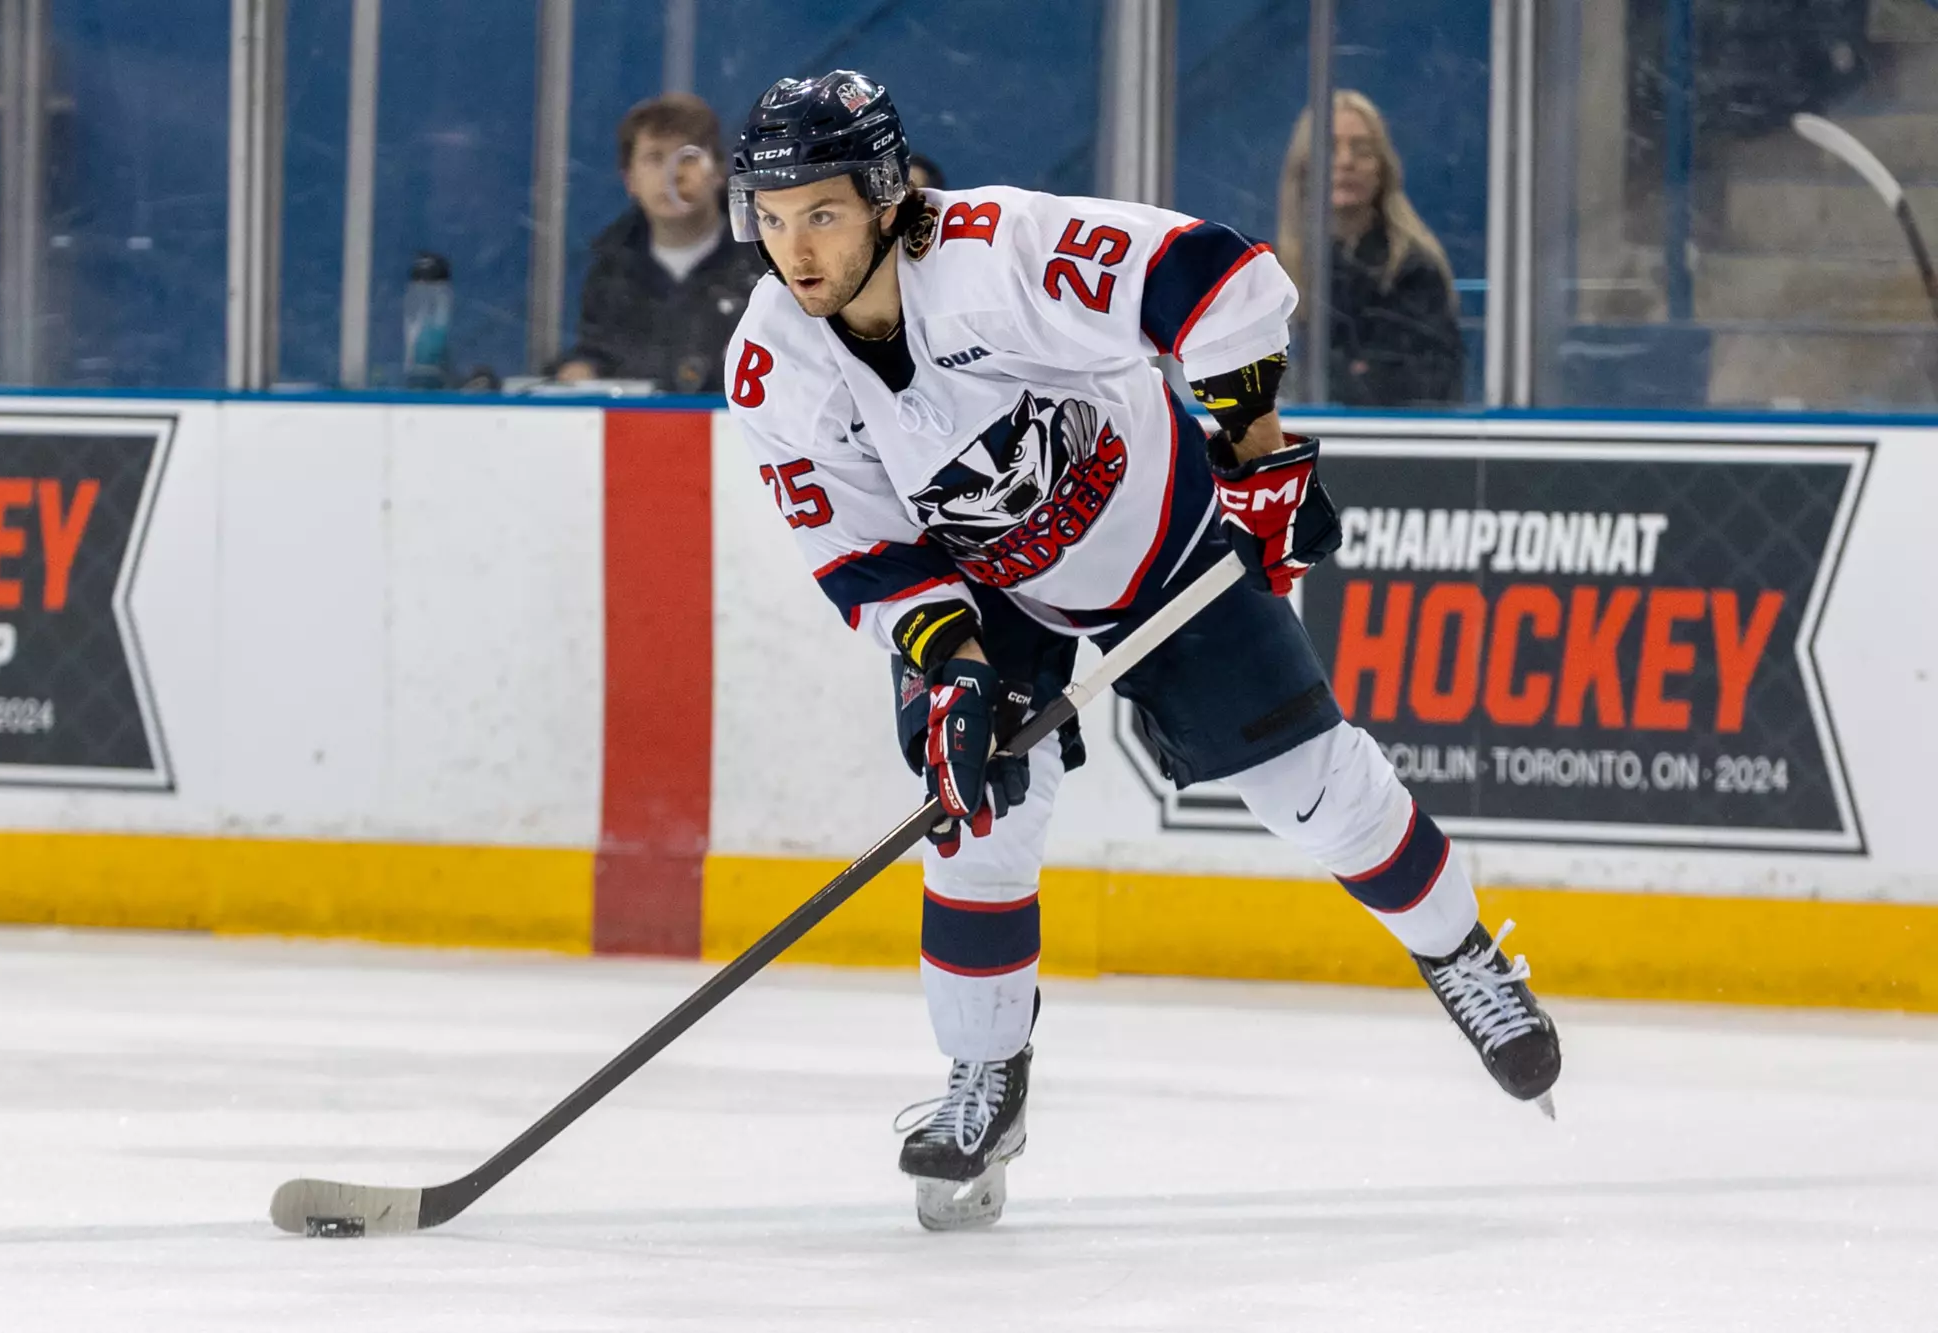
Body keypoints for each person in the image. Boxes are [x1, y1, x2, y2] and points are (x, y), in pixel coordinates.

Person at [723, 71, 1559, 1231]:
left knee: (1309, 793)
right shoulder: (774, 361)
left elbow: (1218, 277)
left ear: (881, 197)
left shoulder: (996, 254)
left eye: (819, 212)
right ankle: (987, 1080)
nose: (793, 249)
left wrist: (1256, 461)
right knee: (976, 813)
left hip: (1159, 534)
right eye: (768, 218)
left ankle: (1461, 952)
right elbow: (858, 544)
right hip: (987, 587)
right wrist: (948, 665)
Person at [553, 94, 765, 392]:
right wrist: (581, 370)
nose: (672, 174)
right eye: (655, 158)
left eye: (688, 157)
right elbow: (597, 353)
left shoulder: (765, 258)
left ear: (719, 171)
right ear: (629, 180)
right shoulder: (610, 269)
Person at [1278, 90, 1464, 407]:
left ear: (1382, 170)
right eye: (1330, 148)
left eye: (1362, 150)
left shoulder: (1413, 269)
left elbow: (1424, 385)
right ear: (1304, 167)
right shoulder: (1279, 268)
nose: (1346, 161)